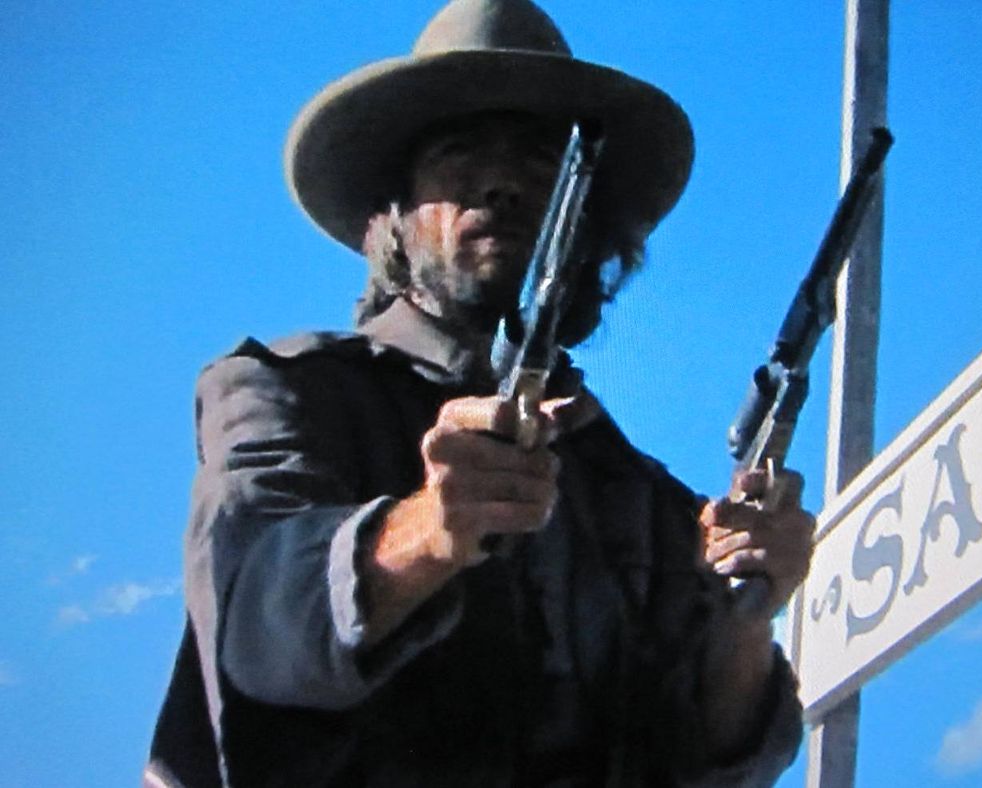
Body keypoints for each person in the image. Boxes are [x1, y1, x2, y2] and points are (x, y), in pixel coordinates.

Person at [146, 1, 815, 785]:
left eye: (543, 161)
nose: (500, 184)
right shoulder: (290, 390)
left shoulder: (653, 507)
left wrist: (744, 619)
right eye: (458, 153)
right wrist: (430, 529)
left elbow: (713, 764)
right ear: (393, 216)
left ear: (591, 227)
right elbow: (259, 628)